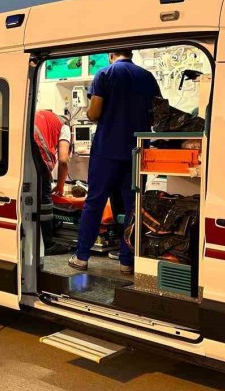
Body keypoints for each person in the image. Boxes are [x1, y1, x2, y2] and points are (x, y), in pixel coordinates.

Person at [69, 49, 161, 275]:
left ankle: (82, 257)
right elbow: (157, 114)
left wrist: (92, 111)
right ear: (130, 54)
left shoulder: (104, 74)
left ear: (111, 54)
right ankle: (126, 262)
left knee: (95, 203)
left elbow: (94, 113)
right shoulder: (147, 77)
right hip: (137, 151)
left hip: (107, 150)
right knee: (133, 206)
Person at [32, 109, 71, 254]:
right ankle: (47, 244)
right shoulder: (65, 127)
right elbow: (63, 159)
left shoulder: (44, 116)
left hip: (22, 145)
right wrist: (60, 185)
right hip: (37, 149)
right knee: (44, 202)